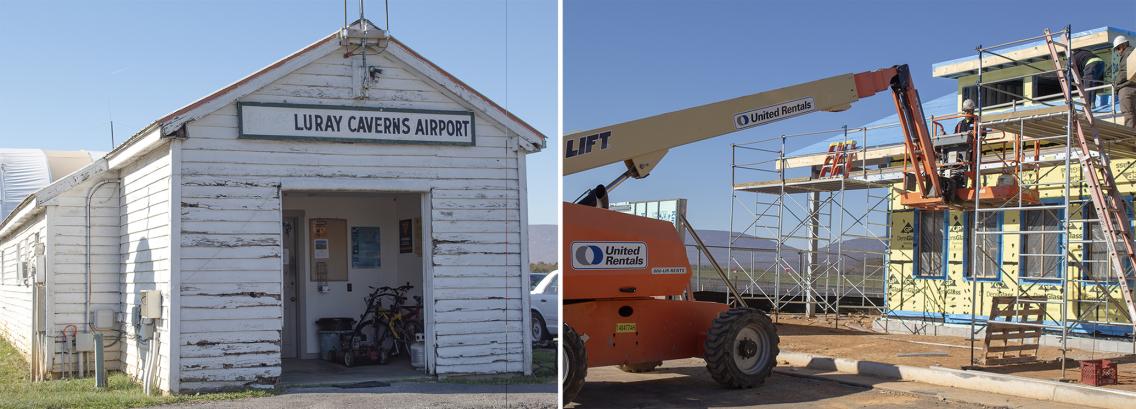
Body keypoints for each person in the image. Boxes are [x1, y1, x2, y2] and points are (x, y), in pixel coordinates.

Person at [1113, 35, 1134, 127]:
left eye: (1118, 48)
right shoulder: (1133, 52)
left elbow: (1125, 71)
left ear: (1122, 45)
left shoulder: (1127, 53)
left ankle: (1131, 139)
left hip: (1127, 88)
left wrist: (1116, 83)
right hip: (1133, 86)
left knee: (1128, 114)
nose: (1118, 51)